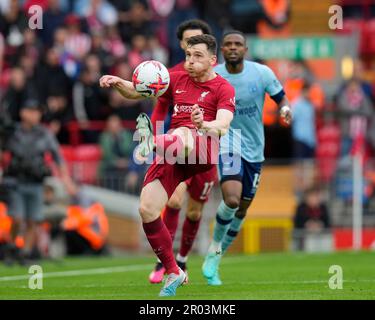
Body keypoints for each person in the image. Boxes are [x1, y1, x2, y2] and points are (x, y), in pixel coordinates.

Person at [100, 34, 236, 296]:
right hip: (173, 150)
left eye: (197, 56)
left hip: (202, 149)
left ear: (212, 60)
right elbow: (139, 89)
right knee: (147, 209)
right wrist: (118, 83)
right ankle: (173, 271)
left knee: (185, 135)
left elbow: (224, 123)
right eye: (187, 55)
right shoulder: (176, 77)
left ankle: (152, 141)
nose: (190, 61)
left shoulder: (223, 88)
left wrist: (203, 124)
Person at [202, 30, 292, 285]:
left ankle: (217, 256)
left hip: (255, 149)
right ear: (221, 49)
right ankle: (214, 249)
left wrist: (285, 109)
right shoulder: (214, 75)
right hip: (228, 143)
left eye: (237, 44)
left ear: (245, 49)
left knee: (242, 209)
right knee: (231, 199)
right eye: (228, 44)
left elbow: (281, 97)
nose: (232, 48)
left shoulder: (261, 73)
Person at [148, 19, 216, 284]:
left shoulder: (216, 77)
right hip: (179, 146)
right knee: (174, 200)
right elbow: (159, 109)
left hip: (207, 151)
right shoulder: (171, 76)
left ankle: (184, 258)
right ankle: (165, 262)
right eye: (188, 42)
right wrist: (155, 138)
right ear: (181, 44)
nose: (192, 45)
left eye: (198, 40)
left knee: (195, 211)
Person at [2, 99, 76, 264]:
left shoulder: (44, 133)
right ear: (23, 112)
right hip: (16, 181)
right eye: (32, 111)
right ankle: (13, 246)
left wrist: (66, 180)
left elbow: (57, 156)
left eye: (38, 111)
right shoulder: (12, 132)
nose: (36, 115)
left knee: (33, 220)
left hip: (36, 182)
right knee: (17, 218)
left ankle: (25, 253)